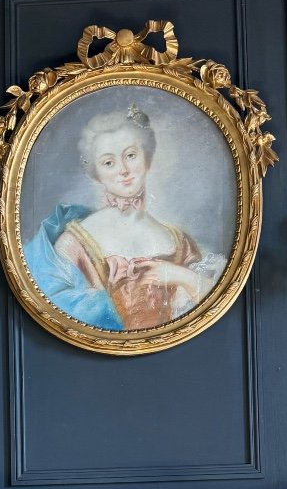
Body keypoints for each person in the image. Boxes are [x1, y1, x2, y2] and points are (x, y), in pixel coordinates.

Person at [23, 103, 225, 330]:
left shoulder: (180, 242)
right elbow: (56, 314)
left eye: (130, 155)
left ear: (146, 159)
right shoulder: (75, 242)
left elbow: (212, 307)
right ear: (96, 173)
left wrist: (178, 275)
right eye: (109, 162)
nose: (123, 170)